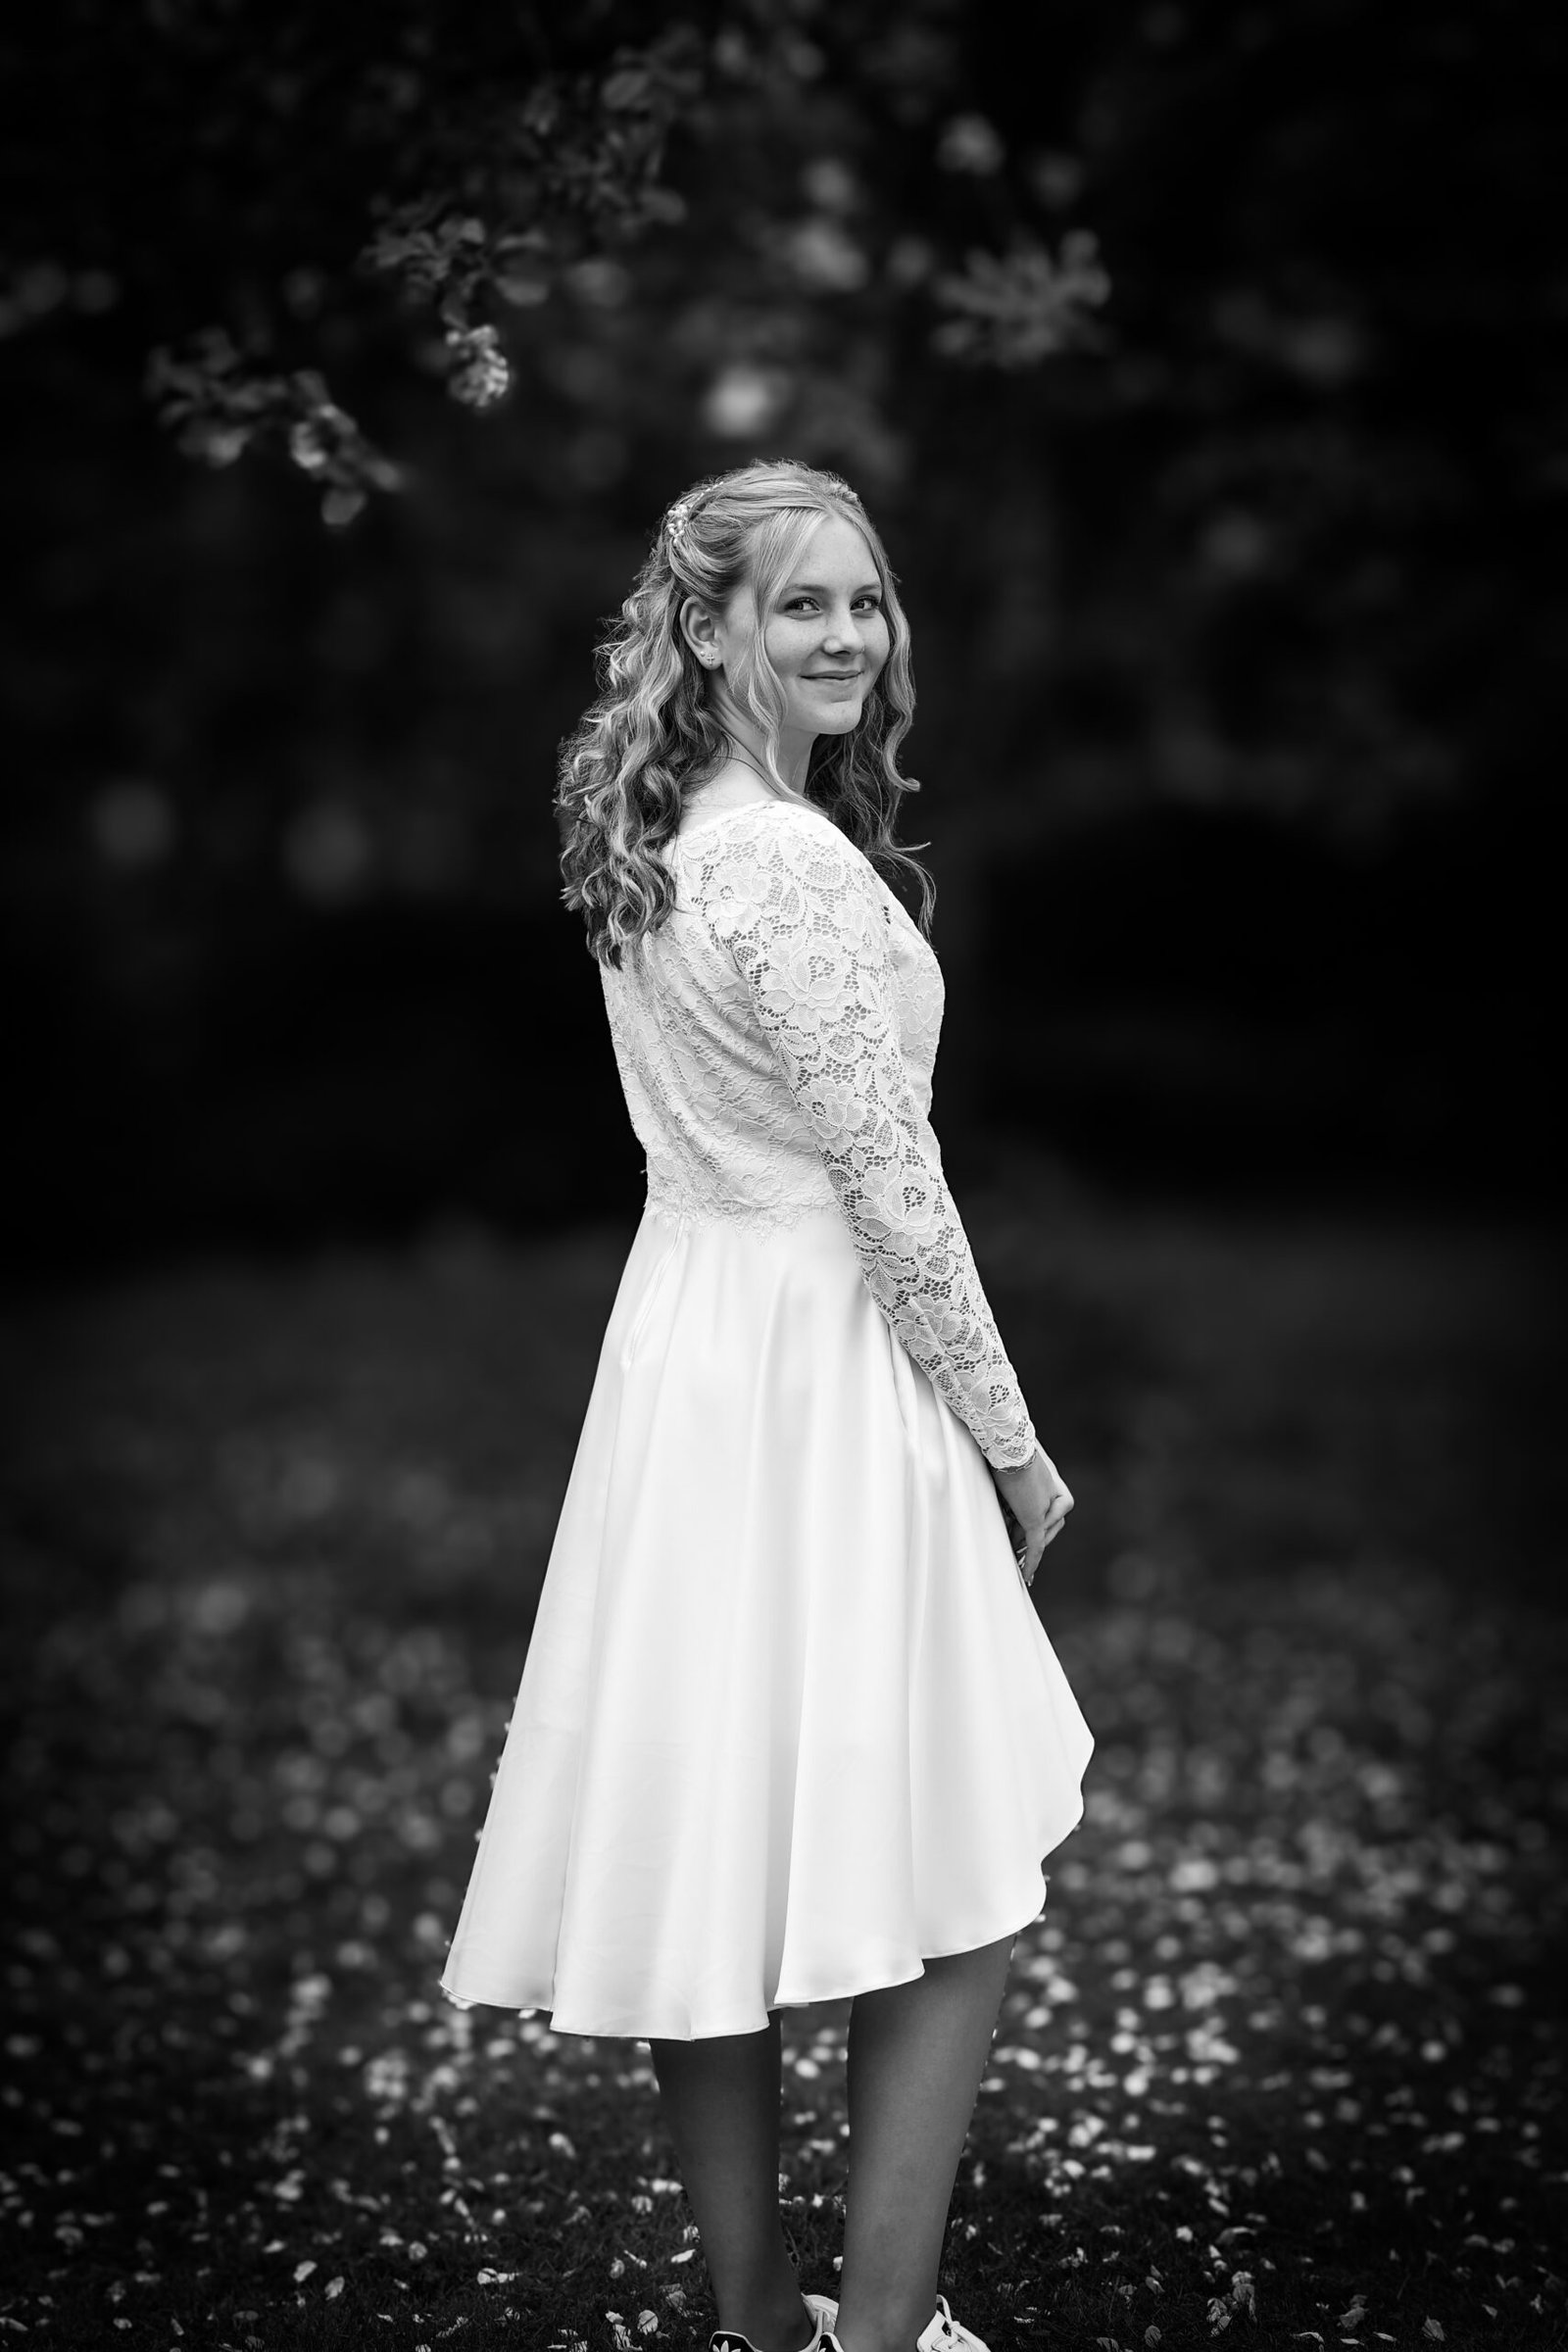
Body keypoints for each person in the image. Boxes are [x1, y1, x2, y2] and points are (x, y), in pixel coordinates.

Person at [438, 459, 1094, 2352]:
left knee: (709, 1840)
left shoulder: (658, 838)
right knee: (950, 1860)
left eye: (865, 600)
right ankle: (873, 2333)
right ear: (710, 628)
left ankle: (759, 2320)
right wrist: (1012, 1445)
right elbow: (892, 1187)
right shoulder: (787, 865)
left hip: (693, 1349)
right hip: (819, 1356)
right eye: (800, 602)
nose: (848, 635)